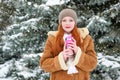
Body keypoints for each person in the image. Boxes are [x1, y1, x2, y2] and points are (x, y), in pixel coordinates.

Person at [40, 8, 97, 80]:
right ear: (60, 23)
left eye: (71, 20)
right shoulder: (52, 39)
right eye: (64, 20)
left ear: (75, 22)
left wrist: (77, 52)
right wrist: (62, 58)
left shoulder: (85, 38)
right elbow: (44, 64)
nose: (67, 23)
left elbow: (92, 64)